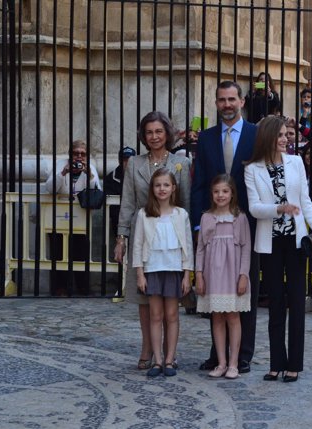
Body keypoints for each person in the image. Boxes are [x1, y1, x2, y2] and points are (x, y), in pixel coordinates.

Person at [245, 115, 312, 383]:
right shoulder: (252, 169)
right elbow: (255, 208)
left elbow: (305, 201)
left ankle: (294, 364)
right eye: (279, 135)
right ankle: (276, 363)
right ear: (267, 136)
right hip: (270, 243)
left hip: (296, 241)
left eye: (285, 134)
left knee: (296, 302)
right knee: (275, 303)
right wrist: (279, 208)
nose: (284, 139)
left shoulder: (296, 162)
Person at [114, 111, 191, 371]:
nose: (154, 136)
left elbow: (186, 204)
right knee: (144, 298)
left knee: (169, 302)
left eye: (159, 131)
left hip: (170, 239)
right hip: (142, 234)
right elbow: (126, 202)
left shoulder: (181, 163)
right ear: (143, 136)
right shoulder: (134, 163)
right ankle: (147, 347)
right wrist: (121, 237)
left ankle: (170, 352)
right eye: (149, 132)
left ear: (167, 133)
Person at [191, 80, 258, 374]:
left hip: (248, 223)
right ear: (216, 103)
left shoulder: (256, 135)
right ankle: (217, 355)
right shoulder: (205, 139)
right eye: (222, 100)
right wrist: (197, 224)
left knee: (243, 290)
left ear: (241, 101)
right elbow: (199, 184)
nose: (227, 105)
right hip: (213, 223)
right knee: (216, 292)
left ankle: (242, 354)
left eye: (232, 99)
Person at [131, 168, 193, 377]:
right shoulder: (143, 214)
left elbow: (188, 245)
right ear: (152, 189)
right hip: (153, 269)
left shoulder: (180, 214)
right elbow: (138, 245)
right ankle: (157, 360)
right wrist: (140, 273)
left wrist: (187, 274)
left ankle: (170, 359)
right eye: (158, 185)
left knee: (172, 315)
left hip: (174, 269)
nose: (162, 189)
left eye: (166, 185)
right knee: (155, 315)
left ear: (173, 188)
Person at [195, 175, 252, 379]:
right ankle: (221, 362)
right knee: (217, 317)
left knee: (233, 316)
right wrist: (199, 275)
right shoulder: (206, 217)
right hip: (213, 275)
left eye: (225, 191)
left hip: (233, 274)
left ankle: (234, 363)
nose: (220, 195)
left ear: (232, 194)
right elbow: (200, 249)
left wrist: (243, 275)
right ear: (212, 194)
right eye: (217, 191)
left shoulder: (240, 218)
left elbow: (246, 249)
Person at [44, 139, 101, 296]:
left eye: (82, 154)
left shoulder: (90, 168)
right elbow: (49, 188)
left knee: (80, 251)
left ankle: (82, 287)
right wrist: (63, 173)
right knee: (58, 251)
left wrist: (89, 176)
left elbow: (96, 191)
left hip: (80, 218)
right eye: (76, 153)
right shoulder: (60, 164)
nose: (79, 157)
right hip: (58, 215)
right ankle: (59, 287)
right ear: (70, 155)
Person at [105, 146, 137, 236]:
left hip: (137, 218)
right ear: (120, 161)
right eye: (125, 160)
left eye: (131, 159)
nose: (128, 163)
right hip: (118, 220)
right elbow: (110, 204)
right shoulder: (111, 178)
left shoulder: (140, 175)